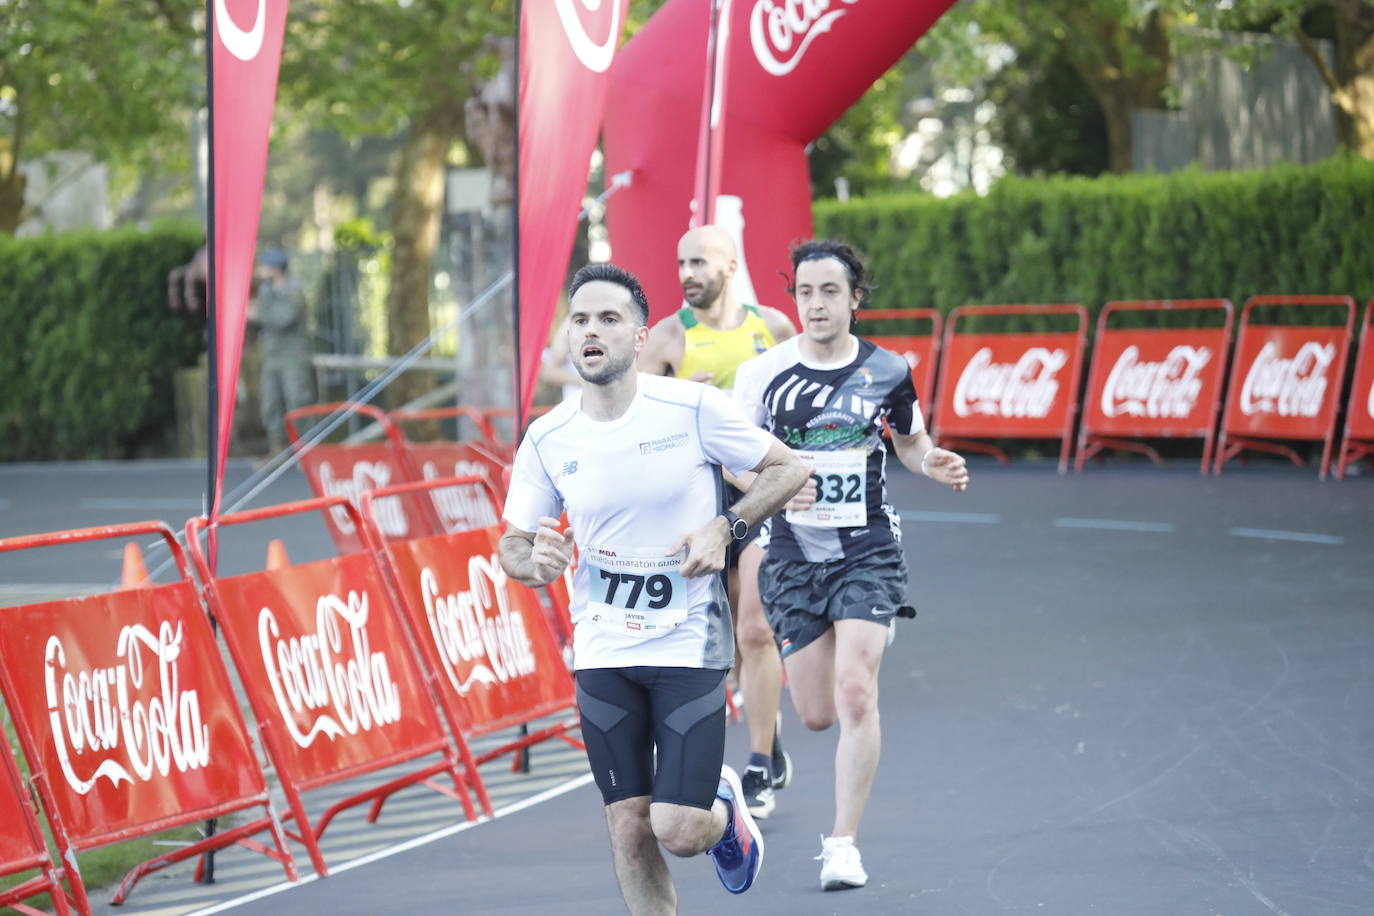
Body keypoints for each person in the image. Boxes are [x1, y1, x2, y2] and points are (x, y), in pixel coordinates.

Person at [499, 263, 808, 913]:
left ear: (641, 337)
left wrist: (726, 528)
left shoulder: (691, 407)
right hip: (604, 649)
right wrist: (535, 560)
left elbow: (786, 469)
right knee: (629, 824)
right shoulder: (549, 437)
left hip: (687, 642)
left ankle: (721, 817)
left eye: (610, 318)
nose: (592, 330)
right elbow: (513, 544)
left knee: (678, 828)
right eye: (581, 318)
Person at [732, 239, 970, 891]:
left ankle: (842, 844)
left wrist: (935, 462)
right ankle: (777, 745)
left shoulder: (889, 371)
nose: (815, 304)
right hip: (791, 557)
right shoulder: (765, 375)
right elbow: (732, 457)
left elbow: (912, 443)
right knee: (815, 713)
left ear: (855, 298)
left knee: (857, 688)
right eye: (805, 292)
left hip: (868, 547)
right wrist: (776, 483)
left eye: (829, 291)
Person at [638, 225, 798, 820]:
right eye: (680, 262)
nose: (687, 272)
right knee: (727, 646)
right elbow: (632, 418)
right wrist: (678, 397)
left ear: (730, 265)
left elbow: (801, 400)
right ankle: (770, 735)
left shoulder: (773, 329)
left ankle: (758, 766)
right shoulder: (670, 336)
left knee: (756, 630)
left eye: (699, 261)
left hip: (754, 504)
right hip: (695, 512)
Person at [248, 248, 314, 455]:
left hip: (293, 356)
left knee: (298, 401)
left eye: (265, 266)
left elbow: (282, 319)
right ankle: (277, 450)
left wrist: (255, 313)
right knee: (271, 403)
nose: (261, 270)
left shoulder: (293, 291)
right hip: (272, 355)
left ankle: (305, 450)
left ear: (276, 269)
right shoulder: (266, 290)